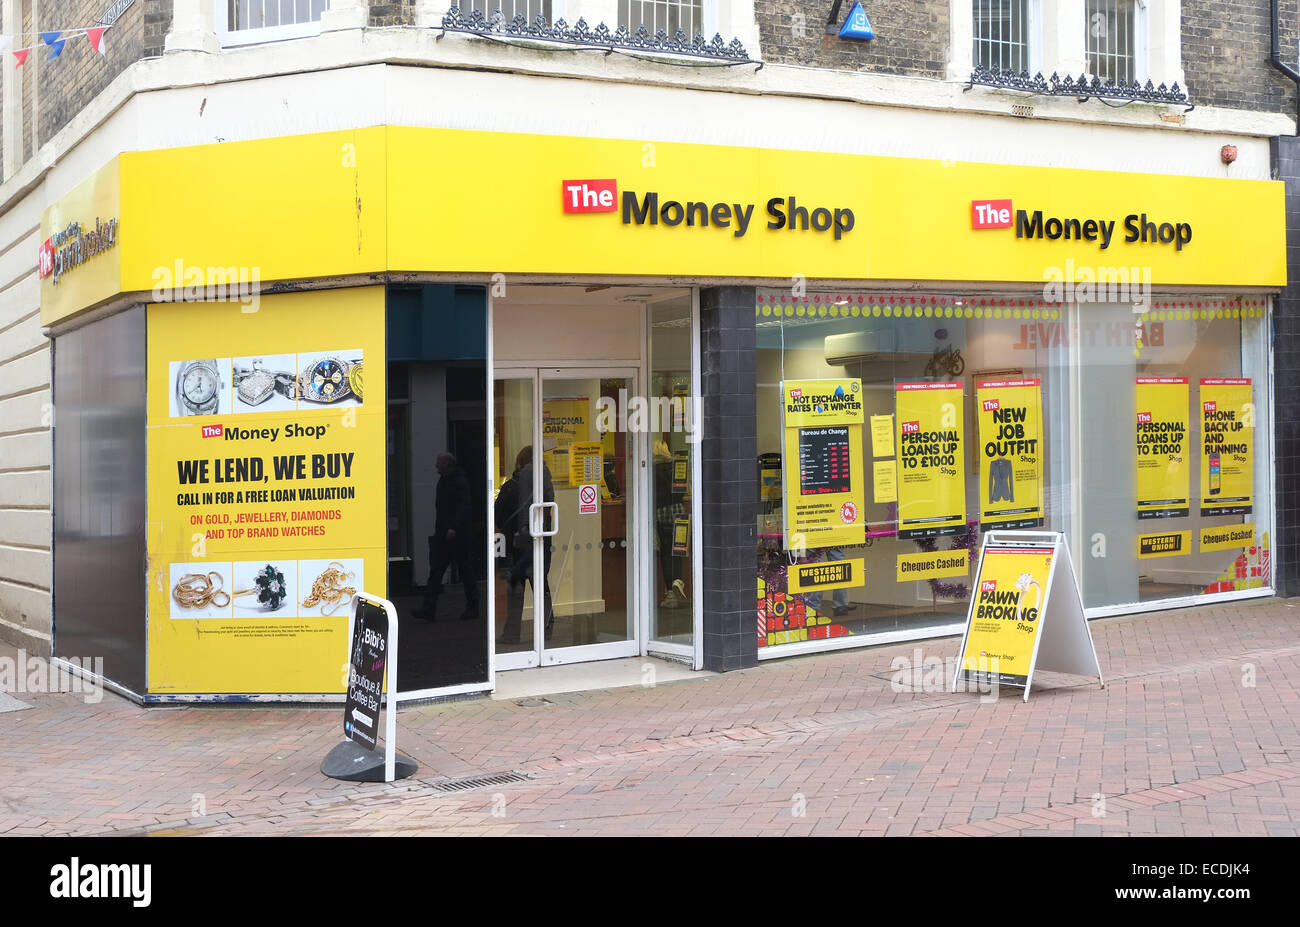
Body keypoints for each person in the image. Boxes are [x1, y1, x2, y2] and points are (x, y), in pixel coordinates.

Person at [495, 445, 555, 643]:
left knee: (516, 587)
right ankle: (547, 628)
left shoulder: (512, 486)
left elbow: (498, 514)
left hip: (518, 543)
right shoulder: (545, 482)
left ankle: (512, 633)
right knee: (540, 583)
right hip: (540, 541)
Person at [414, 452, 479, 622]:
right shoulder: (448, 480)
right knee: (440, 572)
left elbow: (462, 507)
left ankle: (471, 607)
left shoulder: (456, 482)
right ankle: (429, 608)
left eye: (439, 464)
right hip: (446, 534)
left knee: (460, 571)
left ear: (447, 465)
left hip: (455, 535)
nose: (436, 467)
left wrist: (453, 527)